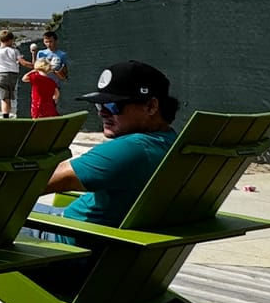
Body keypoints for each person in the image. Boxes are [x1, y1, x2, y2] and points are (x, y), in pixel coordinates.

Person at [40, 60, 179, 226]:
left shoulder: (131, 149)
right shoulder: (171, 143)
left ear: (150, 106)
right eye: (100, 105)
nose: (103, 113)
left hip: (60, 234)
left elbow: (29, 184)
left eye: (113, 106)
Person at [29, 30, 68, 118]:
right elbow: (36, 67)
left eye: (51, 41)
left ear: (56, 41)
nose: (49, 44)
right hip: (41, 85)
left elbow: (64, 71)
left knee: (52, 105)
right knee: (39, 105)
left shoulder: (62, 54)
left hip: (54, 84)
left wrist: (59, 73)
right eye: (46, 42)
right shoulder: (41, 53)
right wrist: (33, 54)